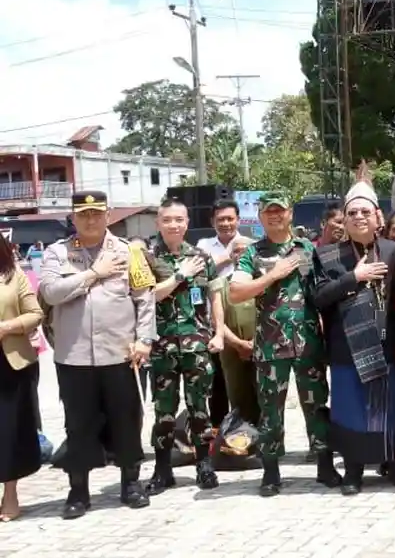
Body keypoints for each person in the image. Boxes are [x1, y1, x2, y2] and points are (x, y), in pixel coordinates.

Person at [39, 191, 157, 519]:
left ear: (108, 215)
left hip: (120, 354)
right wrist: (94, 273)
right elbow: (50, 292)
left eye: (96, 213)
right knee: (79, 425)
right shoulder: (56, 253)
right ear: (73, 218)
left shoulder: (129, 251)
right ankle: (78, 491)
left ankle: (130, 484)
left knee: (126, 420)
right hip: (74, 357)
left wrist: (144, 339)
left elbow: (144, 298)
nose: (90, 219)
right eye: (83, 214)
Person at [229, 191, 341, 496]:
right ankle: (271, 471)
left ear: (290, 213)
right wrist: (272, 275)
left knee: (316, 405)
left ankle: (325, 464)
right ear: (261, 217)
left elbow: (321, 292)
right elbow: (236, 292)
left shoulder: (306, 249)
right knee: (271, 411)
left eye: (280, 210)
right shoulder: (253, 254)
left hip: (308, 344)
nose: (275, 216)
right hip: (270, 346)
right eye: (269, 212)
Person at [312, 177, 395, 495]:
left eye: (365, 212)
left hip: (388, 345)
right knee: (352, 410)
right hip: (346, 348)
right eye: (352, 212)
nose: (359, 217)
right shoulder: (328, 255)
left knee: (392, 408)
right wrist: (352, 277)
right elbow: (319, 297)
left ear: (377, 218)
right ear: (344, 218)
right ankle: (354, 471)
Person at [143, 199, 228, 494]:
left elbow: (215, 296)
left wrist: (218, 333)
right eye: (167, 220)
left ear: (187, 223)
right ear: (158, 223)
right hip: (163, 347)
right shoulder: (147, 257)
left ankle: (204, 465)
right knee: (164, 411)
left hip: (197, 345)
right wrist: (180, 276)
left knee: (200, 408)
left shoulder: (202, 257)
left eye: (179, 219)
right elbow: (147, 297)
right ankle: (162, 469)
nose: (173, 225)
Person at [196, 201, 260, 425]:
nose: (225, 223)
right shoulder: (203, 246)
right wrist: (229, 257)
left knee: (256, 384)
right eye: (220, 219)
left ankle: (257, 433)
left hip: (250, 319)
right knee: (219, 384)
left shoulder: (252, 244)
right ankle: (221, 435)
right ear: (212, 222)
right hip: (215, 321)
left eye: (230, 218)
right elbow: (200, 269)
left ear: (238, 220)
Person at [0, 231, 43, 522]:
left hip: (10, 365)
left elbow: (35, 313)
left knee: (8, 433)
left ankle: (10, 494)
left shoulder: (12, 275)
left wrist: (5, 327)